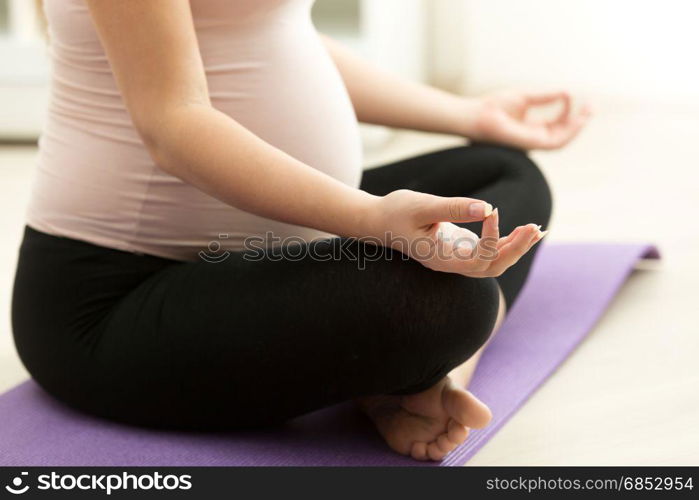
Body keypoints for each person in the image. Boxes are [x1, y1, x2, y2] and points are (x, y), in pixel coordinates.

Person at [12, 0, 589, 461]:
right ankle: (415, 374)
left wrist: (470, 115)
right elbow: (173, 124)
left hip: (275, 250)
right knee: (451, 296)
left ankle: (420, 386)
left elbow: (277, 33)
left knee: (501, 172)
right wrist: (372, 220)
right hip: (118, 298)